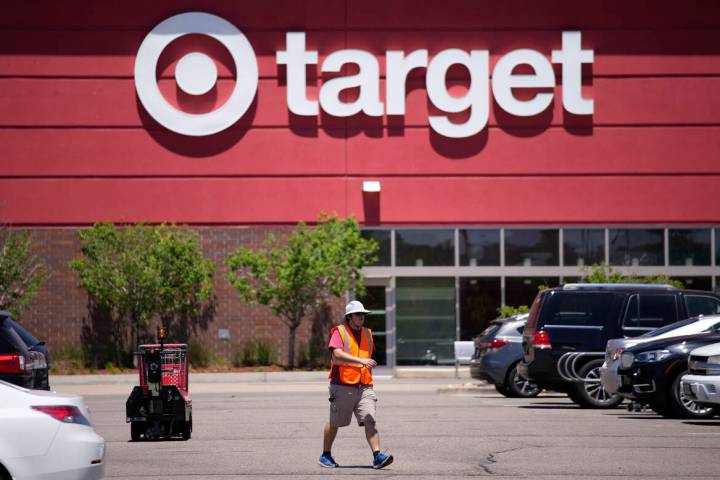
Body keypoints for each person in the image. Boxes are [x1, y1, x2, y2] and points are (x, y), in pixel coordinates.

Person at [318, 300, 394, 469]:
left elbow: (369, 354)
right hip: (343, 384)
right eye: (359, 314)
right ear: (350, 316)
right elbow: (337, 354)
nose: (362, 317)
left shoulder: (368, 333)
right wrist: (361, 361)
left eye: (363, 314)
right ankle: (325, 455)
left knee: (370, 419)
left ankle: (377, 456)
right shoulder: (339, 332)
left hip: (364, 385)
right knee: (335, 422)